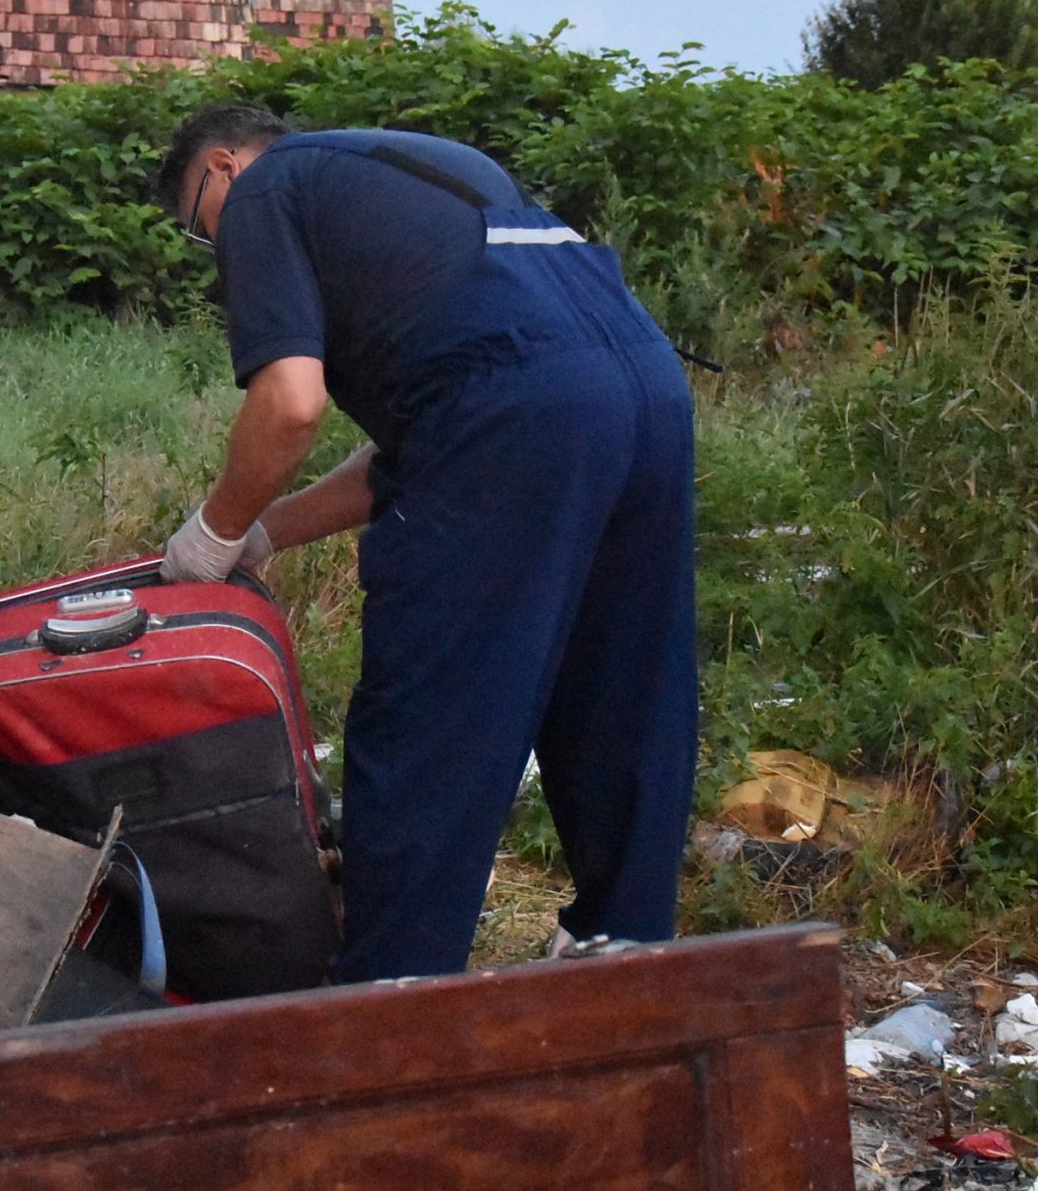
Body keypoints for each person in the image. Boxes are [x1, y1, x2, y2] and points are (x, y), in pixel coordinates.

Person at [150, 104, 700, 982]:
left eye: (196, 227)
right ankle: (624, 950)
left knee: (435, 708)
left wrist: (209, 533)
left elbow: (292, 404)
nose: (213, 249)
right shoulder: (416, 166)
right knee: (621, 687)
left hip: (521, 407)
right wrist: (263, 535)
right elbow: (444, 426)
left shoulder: (265, 193)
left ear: (222, 168)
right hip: (646, 389)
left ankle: (391, 990)